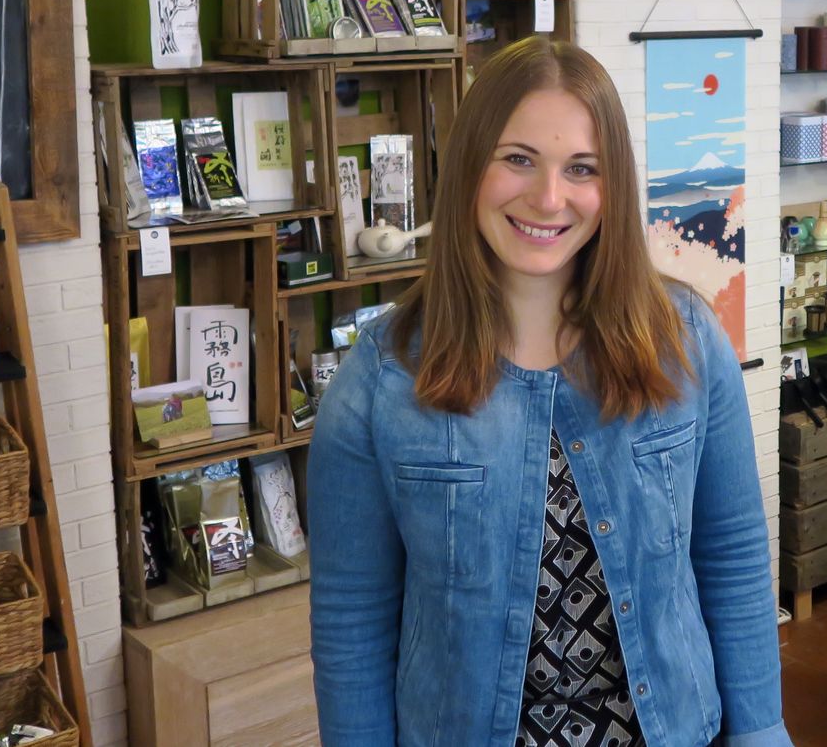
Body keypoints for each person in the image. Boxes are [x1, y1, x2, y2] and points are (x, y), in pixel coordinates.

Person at [309, 37, 791, 747]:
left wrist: (761, 730)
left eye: (581, 168)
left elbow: (733, 555)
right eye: (518, 158)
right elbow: (352, 621)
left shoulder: (685, 341)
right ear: (470, 164)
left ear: (611, 185)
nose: (548, 197)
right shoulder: (382, 381)